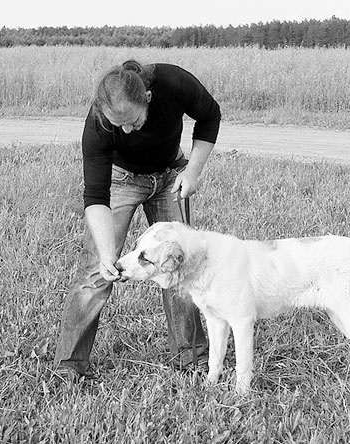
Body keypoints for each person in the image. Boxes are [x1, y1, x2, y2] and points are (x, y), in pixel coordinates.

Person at [54, 60, 220, 377]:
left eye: (133, 121)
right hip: (121, 181)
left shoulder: (174, 83)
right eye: (120, 126)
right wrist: (107, 254)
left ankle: (192, 358)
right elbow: (96, 197)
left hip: (171, 176)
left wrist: (193, 170)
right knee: (95, 272)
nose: (127, 130)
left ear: (147, 96)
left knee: (179, 265)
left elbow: (210, 116)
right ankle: (70, 365)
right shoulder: (99, 126)